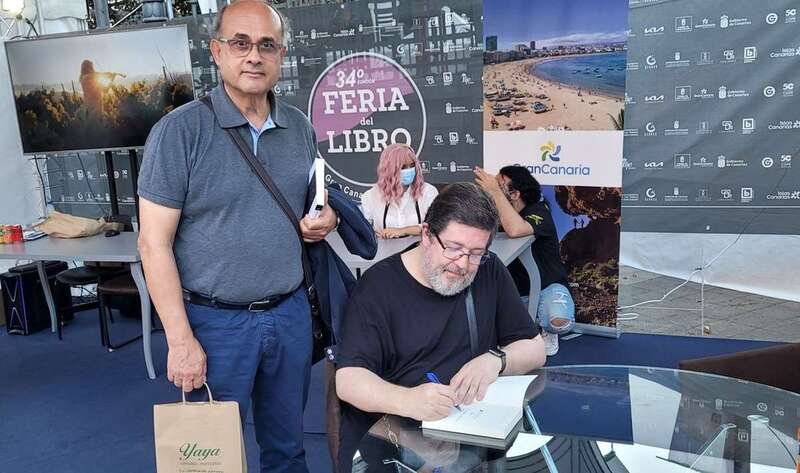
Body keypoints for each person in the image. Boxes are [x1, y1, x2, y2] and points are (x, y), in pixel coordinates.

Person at [137, 2, 338, 472]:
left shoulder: (299, 128)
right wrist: (180, 341)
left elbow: (312, 205)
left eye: (267, 45)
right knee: (210, 458)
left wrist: (324, 220)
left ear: (281, 54)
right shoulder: (179, 132)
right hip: (213, 325)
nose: (254, 56)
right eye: (240, 43)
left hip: (289, 315)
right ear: (217, 51)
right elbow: (153, 244)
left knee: (288, 448)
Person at [335, 183, 546, 472]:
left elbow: (535, 349)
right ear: (426, 234)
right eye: (454, 249)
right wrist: (407, 400)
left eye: (476, 252)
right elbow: (348, 380)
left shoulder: (488, 269)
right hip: (400, 437)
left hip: (473, 437)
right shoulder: (378, 287)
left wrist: (496, 360)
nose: (463, 264)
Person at [474, 165, 575, 356]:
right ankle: (527, 326)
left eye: (499, 184)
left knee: (559, 320)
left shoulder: (539, 210)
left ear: (515, 194)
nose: (492, 187)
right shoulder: (493, 214)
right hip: (514, 292)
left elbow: (515, 229)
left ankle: (545, 329)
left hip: (546, 286)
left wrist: (495, 191)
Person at [360, 143, 438, 239]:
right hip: (385, 248)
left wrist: (403, 231)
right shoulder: (372, 195)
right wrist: (374, 233)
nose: (409, 170)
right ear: (390, 169)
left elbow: (436, 226)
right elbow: (361, 226)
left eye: (412, 165)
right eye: (403, 167)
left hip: (420, 247)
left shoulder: (428, 191)